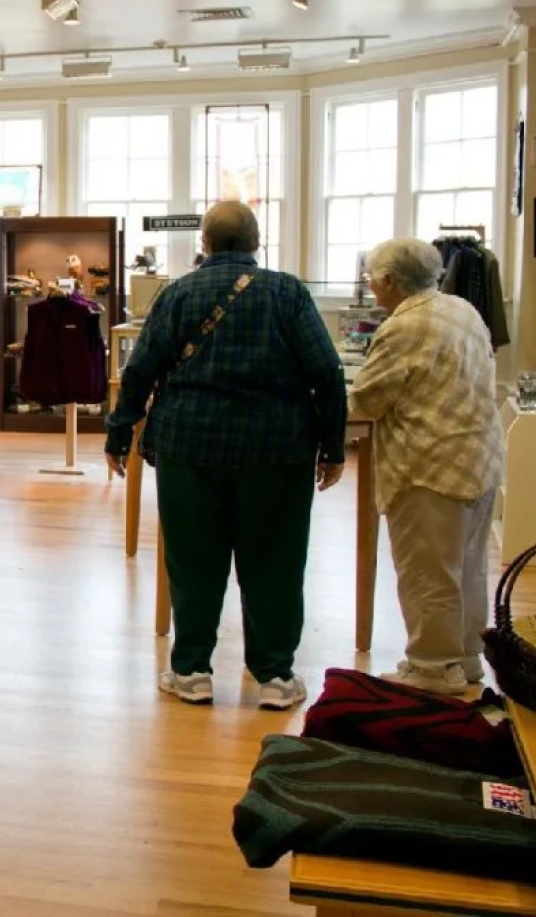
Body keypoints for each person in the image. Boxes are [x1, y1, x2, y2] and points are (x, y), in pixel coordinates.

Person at [106, 201, 347, 711]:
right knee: (276, 561)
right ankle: (275, 675)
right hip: (277, 446)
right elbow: (326, 370)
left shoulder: (178, 293)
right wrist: (332, 445)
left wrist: (119, 433)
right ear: (257, 243)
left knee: (194, 559)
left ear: (206, 243)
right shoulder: (287, 292)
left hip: (189, 443)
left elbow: (141, 368)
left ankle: (192, 670)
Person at [349, 238, 504, 695]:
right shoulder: (462, 309)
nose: (371, 286)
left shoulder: (405, 325)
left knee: (427, 569)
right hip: (477, 456)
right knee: (468, 567)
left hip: (429, 462)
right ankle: (466, 657)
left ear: (389, 281)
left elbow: (367, 400)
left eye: (372, 278)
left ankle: (433, 666)